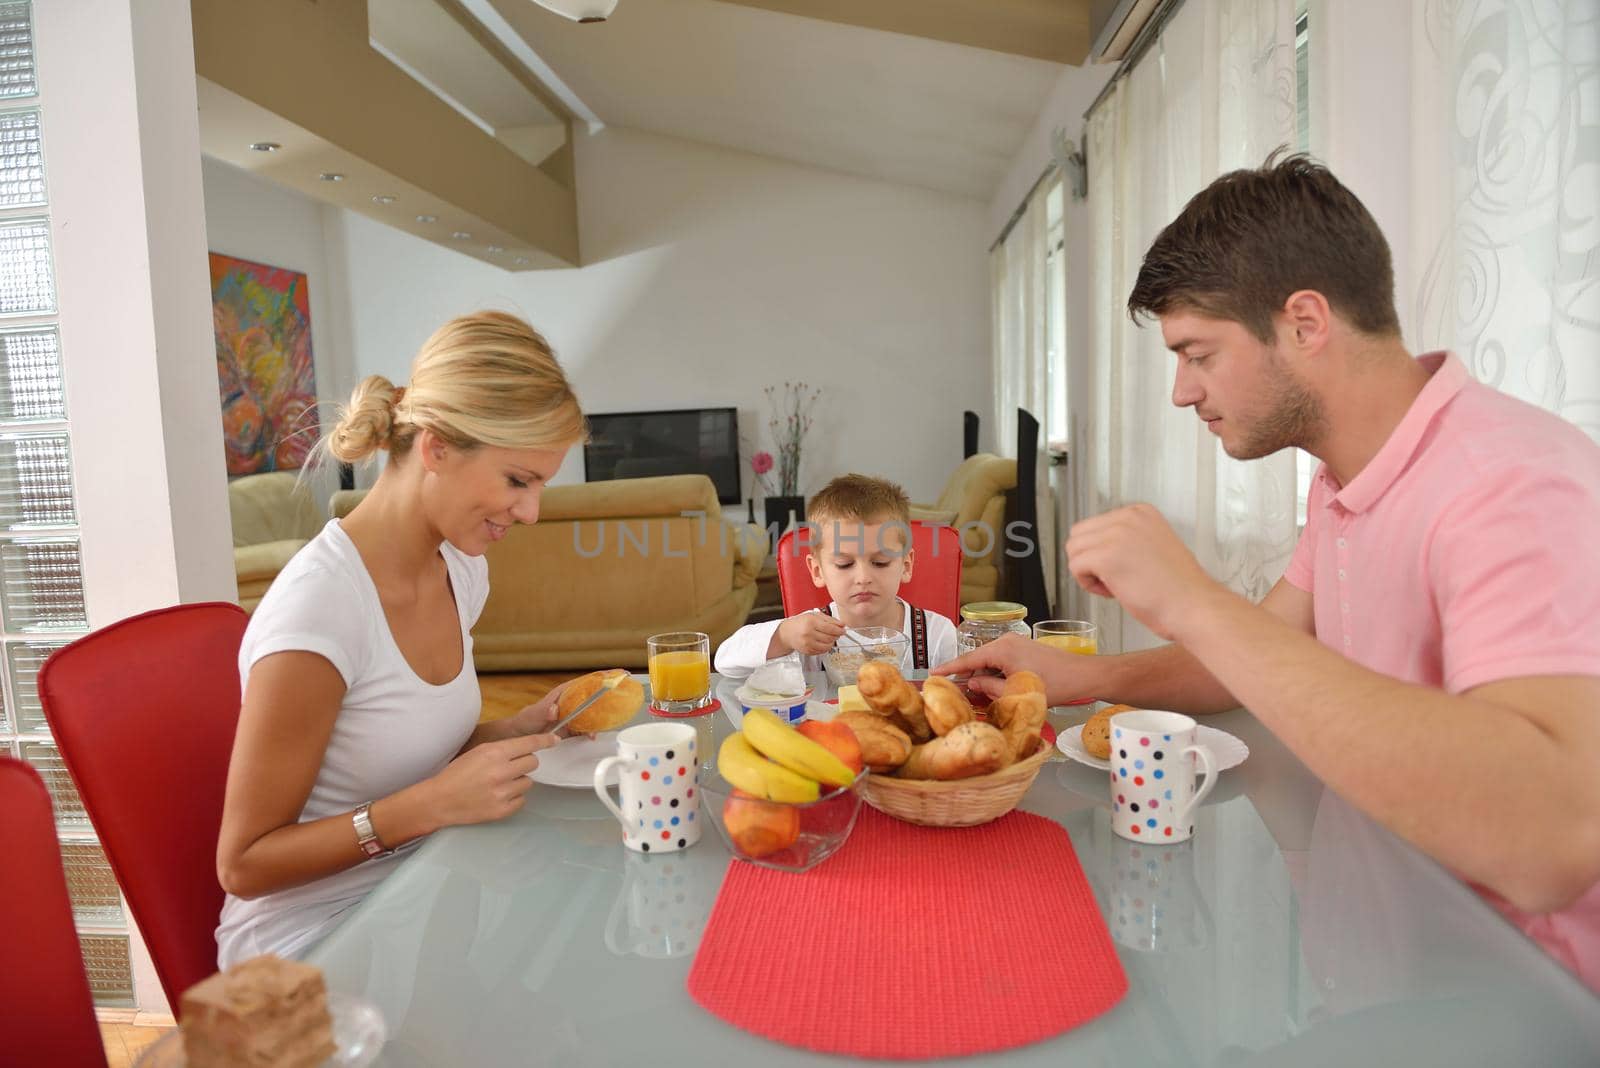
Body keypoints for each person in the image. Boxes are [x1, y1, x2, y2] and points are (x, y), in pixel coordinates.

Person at [937, 153, 1600, 988]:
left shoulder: (1509, 481)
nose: (1183, 393)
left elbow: (1553, 841)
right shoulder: (1345, 479)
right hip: (1377, 953)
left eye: (1199, 354)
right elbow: (1259, 655)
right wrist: (1083, 676)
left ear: (1305, 323)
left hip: (1517, 998)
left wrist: (1192, 599)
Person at [214, 311, 587, 967]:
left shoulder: (461, 568)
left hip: (426, 892)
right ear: (436, 447)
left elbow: (399, 752)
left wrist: (512, 730)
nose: (530, 512)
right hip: (313, 948)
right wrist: (427, 807)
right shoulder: (320, 613)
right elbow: (244, 864)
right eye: (518, 480)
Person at [715, 474, 958, 677]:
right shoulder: (808, 634)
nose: (863, 577)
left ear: (906, 565)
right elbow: (726, 661)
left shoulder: (936, 634)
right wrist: (784, 635)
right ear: (818, 571)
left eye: (880, 562)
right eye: (844, 564)